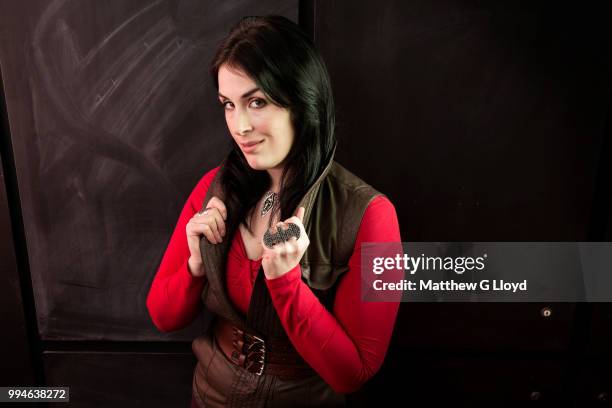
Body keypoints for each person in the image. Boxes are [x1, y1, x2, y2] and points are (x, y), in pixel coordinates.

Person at [146, 15, 402, 407]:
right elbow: (164, 317)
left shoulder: (370, 215)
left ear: (302, 101)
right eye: (228, 105)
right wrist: (196, 265)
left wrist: (286, 284)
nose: (239, 125)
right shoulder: (212, 188)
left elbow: (353, 373)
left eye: (257, 102)